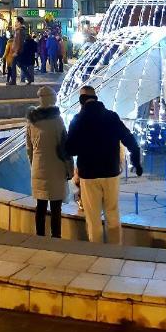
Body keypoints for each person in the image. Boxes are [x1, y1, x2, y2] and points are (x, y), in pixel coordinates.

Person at [65, 85, 142, 244]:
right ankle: (115, 250)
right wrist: (136, 161)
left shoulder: (78, 120)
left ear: (81, 101)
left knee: (93, 217)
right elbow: (129, 139)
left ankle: (97, 252)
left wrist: (83, 144)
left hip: (89, 175)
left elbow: (70, 149)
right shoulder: (111, 116)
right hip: (111, 173)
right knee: (112, 214)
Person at [26, 86, 74, 237]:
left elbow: (29, 149)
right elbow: (65, 147)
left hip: (38, 167)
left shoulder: (31, 121)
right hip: (56, 169)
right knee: (55, 208)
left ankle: (40, 236)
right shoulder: (57, 121)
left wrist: (33, 165)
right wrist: (70, 170)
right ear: (51, 99)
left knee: (40, 206)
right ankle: (56, 238)